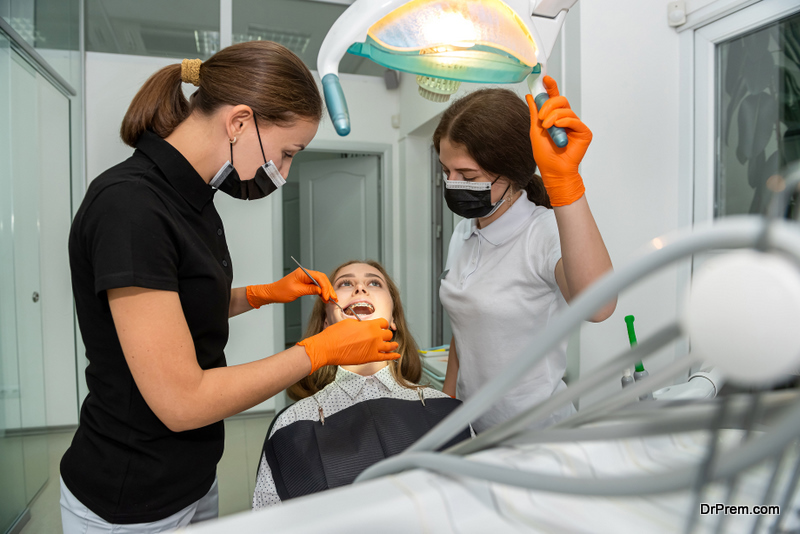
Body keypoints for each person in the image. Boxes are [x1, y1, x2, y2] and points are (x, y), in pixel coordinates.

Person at [60, 42, 399, 533]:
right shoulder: (131, 209)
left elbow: (180, 312)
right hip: (131, 496)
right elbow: (182, 402)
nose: (283, 174)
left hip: (191, 476)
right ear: (239, 122)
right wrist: (320, 350)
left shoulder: (195, 198)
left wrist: (262, 294)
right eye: (286, 154)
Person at [437, 76, 616, 433]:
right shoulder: (465, 232)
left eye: (468, 176)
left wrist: (565, 183)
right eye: (446, 171)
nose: (453, 183)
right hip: (476, 430)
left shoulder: (544, 232)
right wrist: (447, 409)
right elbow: (465, 328)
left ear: (513, 173)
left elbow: (598, 307)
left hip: (538, 434)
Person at [253, 260, 472, 508]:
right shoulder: (290, 427)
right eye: (346, 283)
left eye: (374, 283)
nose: (359, 288)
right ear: (326, 323)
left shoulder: (446, 411)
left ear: (393, 321)